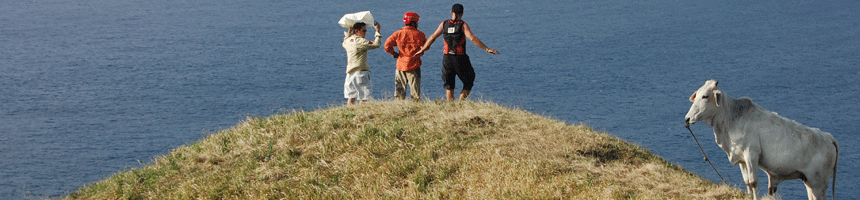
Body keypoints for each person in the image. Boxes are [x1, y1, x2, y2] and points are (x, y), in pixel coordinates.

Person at [415, 3, 499, 102]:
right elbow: (472, 38)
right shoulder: (463, 25)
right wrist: (486, 48)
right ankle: (460, 102)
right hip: (460, 58)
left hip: (447, 58)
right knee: (469, 80)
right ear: (462, 14)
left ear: (451, 12)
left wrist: (423, 49)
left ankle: (450, 105)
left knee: (449, 84)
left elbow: (433, 36)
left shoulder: (444, 24)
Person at [385, 12, 427, 102]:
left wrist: (394, 53)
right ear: (414, 23)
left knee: (400, 92)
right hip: (414, 66)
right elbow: (426, 46)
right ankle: (416, 107)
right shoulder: (420, 34)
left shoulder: (398, 33)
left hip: (401, 65)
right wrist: (421, 51)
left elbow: (387, 45)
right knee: (415, 93)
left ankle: (400, 107)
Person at [342, 21, 382, 105]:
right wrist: (377, 31)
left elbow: (344, 41)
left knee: (351, 98)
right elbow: (376, 44)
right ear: (356, 31)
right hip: (361, 73)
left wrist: (349, 32)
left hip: (350, 74)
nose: (365, 33)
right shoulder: (361, 41)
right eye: (363, 31)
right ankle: (362, 112)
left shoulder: (347, 41)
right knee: (364, 97)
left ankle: (349, 112)